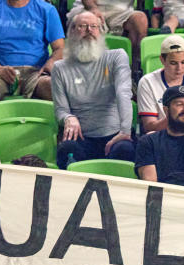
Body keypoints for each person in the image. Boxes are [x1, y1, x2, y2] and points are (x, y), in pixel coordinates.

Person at [53, 12, 134, 170]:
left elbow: (123, 93)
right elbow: (61, 109)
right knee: (66, 149)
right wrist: (68, 117)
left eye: (94, 26)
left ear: (101, 32)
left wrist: (125, 130)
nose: (89, 30)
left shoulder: (116, 57)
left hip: (114, 134)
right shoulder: (60, 68)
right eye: (82, 26)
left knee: (125, 149)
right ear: (71, 33)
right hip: (81, 137)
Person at [0, 0, 64, 113]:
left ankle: (57, 130)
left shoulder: (47, 10)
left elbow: (60, 48)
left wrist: (50, 63)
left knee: (52, 86)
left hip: (35, 72)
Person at [137, 35, 184, 133]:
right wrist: (174, 116)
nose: (179, 68)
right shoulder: (147, 82)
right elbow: (150, 127)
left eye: (183, 62)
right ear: (162, 60)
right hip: (164, 136)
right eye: (173, 63)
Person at [65, 0, 147, 71]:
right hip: (88, 7)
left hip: (121, 11)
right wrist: (92, 8)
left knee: (140, 20)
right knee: (89, 23)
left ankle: (133, 72)